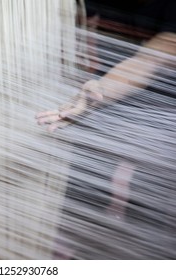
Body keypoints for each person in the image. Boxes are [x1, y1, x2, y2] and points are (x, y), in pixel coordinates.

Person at [36, 0, 176, 259]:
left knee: (143, 214)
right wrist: (92, 96)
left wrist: (102, 91)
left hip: (160, 113)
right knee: (81, 204)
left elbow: (159, 55)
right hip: (103, 100)